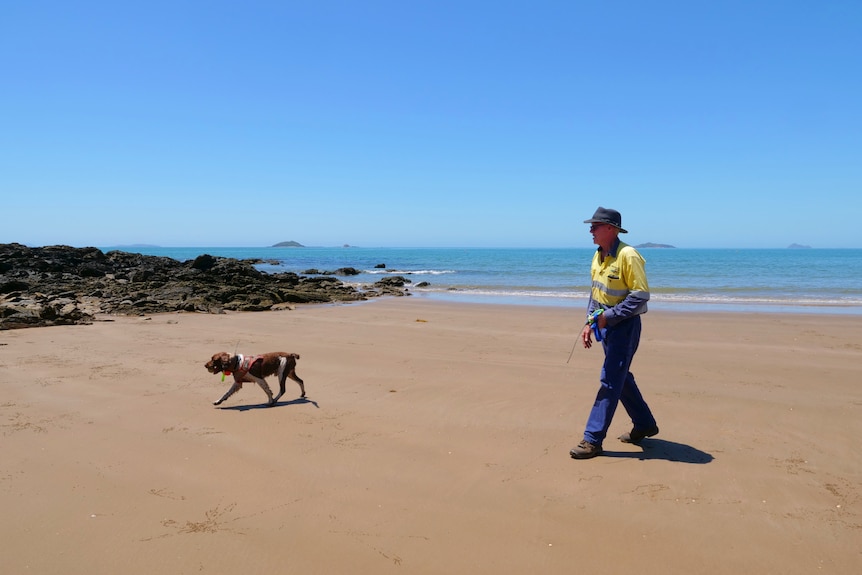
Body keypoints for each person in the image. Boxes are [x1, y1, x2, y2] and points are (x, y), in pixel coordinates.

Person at [570, 207, 659, 459]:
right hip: (605, 326)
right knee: (620, 377)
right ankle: (644, 424)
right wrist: (590, 322)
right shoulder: (598, 256)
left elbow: (641, 296)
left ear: (611, 229)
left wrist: (607, 318)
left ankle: (592, 439)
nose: (590, 230)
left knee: (610, 379)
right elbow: (595, 293)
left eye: (595, 226)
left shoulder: (628, 255)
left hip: (625, 327)